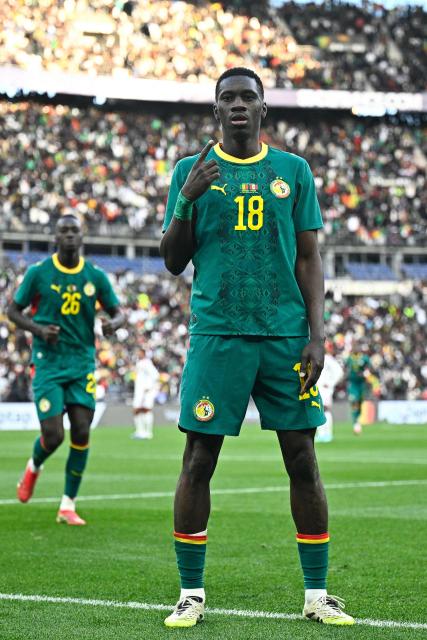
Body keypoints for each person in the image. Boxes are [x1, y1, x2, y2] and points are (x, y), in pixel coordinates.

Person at [160, 67, 354, 627]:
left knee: (303, 459)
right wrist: (186, 202)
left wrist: (317, 335)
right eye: (228, 98)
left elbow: (309, 257)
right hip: (218, 334)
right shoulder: (188, 171)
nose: (238, 105)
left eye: (248, 97)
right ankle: (190, 593)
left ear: (264, 108)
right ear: (215, 111)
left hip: (284, 337)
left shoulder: (293, 171)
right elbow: (173, 260)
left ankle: (317, 595)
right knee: (199, 461)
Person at [7, 214, 124, 525]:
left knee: (83, 430)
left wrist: (114, 324)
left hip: (82, 362)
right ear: (55, 238)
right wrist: (38, 330)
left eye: (75, 231)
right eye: (64, 231)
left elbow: (119, 312)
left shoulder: (95, 277)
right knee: (53, 434)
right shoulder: (38, 273)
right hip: (48, 362)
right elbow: (12, 311)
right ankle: (33, 467)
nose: (70, 236)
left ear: (82, 238)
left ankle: (67, 504)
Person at [315, 342, 344, 443]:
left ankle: (327, 434)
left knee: (324, 409)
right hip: (319, 387)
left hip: (325, 389)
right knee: (320, 410)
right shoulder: (321, 358)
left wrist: (330, 383)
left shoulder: (328, 359)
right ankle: (322, 434)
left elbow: (339, 372)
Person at [132, 348, 159, 440]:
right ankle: (140, 431)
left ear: (144, 353)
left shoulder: (147, 363)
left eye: (139, 352)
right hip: (139, 391)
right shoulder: (139, 363)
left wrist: (149, 387)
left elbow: (155, 375)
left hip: (146, 391)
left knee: (146, 410)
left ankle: (148, 432)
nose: (138, 354)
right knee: (136, 410)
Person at [345, 346, 372, 435]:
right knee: (354, 401)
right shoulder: (349, 358)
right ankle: (355, 423)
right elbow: (345, 367)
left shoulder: (364, 358)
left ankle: (357, 420)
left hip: (361, 384)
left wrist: (366, 372)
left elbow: (369, 367)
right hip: (353, 384)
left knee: (360, 402)